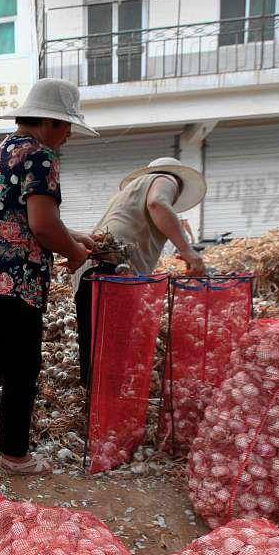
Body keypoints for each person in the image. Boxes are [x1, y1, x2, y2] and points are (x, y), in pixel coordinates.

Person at [0, 78, 99, 474]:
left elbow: (18, 219)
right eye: (67, 125)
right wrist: (75, 254)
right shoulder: (41, 157)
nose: (69, 134)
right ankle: (15, 454)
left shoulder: (4, 151)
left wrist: (74, 236)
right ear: (50, 123)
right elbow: (40, 226)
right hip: (14, 280)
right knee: (22, 366)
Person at [76, 157, 207, 389]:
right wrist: (187, 251)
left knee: (95, 358)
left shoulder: (129, 193)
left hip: (90, 273)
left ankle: (95, 417)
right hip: (114, 272)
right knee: (111, 357)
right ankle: (108, 416)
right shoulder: (166, 178)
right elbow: (157, 203)